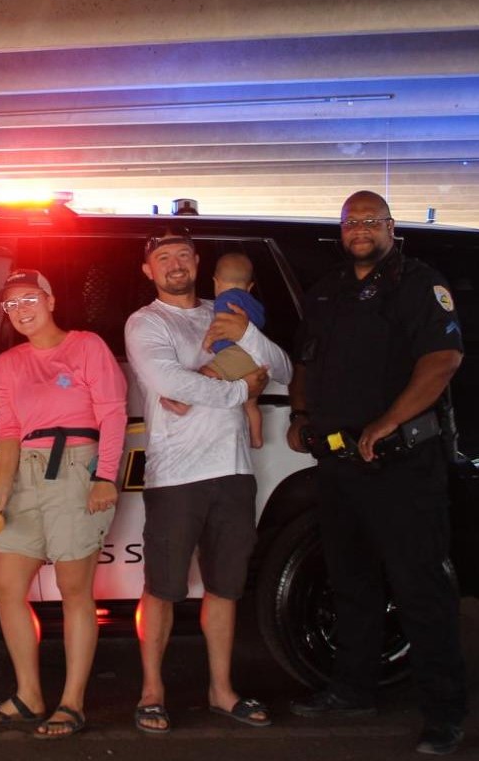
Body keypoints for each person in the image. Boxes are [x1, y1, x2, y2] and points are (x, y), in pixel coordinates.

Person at [286, 191, 468, 756]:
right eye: (350, 222)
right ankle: (352, 689)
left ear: (390, 226)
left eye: (370, 220)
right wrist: (299, 415)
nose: (359, 229)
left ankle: (444, 716)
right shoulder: (327, 290)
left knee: (420, 588)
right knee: (351, 582)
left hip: (402, 464)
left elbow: (442, 361)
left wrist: (388, 422)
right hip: (340, 466)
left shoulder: (418, 284)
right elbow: (305, 362)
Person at [123, 231, 289, 734]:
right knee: (163, 589)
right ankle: (152, 691)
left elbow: (280, 367)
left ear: (198, 262)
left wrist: (247, 338)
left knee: (225, 588)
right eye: (162, 258)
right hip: (176, 474)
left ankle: (222, 689)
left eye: (182, 255)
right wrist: (241, 387)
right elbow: (170, 384)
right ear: (149, 271)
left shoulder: (228, 312)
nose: (174, 264)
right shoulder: (146, 321)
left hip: (234, 471)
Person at [0, 269, 127, 738]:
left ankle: (72, 702)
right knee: (6, 587)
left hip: (77, 468)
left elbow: (113, 413)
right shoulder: (10, 361)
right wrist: (0, 490)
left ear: (52, 299)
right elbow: (8, 429)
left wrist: (105, 477)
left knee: (74, 590)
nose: (21, 310)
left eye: (29, 299)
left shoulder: (86, 346)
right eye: (11, 305)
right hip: (26, 475)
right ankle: (29, 694)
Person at [207, 251, 269, 449]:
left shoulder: (225, 299)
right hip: (256, 356)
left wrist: (209, 340)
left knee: (206, 374)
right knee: (250, 404)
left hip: (237, 353)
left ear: (216, 282)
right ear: (250, 287)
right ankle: (257, 438)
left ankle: (181, 402)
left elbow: (221, 326)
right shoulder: (255, 305)